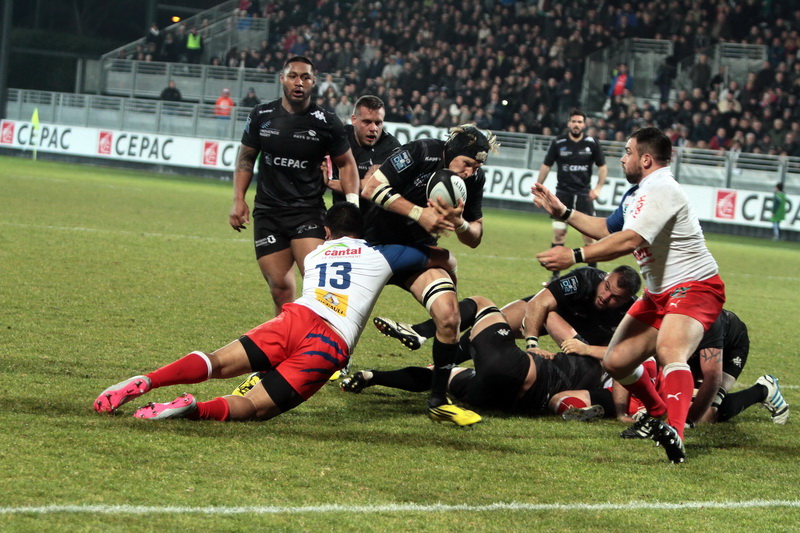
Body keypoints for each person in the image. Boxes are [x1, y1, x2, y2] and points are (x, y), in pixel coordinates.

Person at [93, 203, 460, 421]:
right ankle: (193, 410)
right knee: (256, 407)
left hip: (296, 317)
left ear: (328, 231)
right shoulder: (381, 253)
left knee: (217, 362)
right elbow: (443, 258)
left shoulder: (316, 254)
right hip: (330, 341)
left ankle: (150, 379)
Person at [532, 126, 726, 463]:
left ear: (646, 159)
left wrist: (575, 255)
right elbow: (607, 229)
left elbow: (629, 241)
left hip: (695, 285)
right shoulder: (639, 193)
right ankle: (657, 411)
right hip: (659, 293)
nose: (622, 158)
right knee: (616, 360)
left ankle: (675, 434)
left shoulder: (663, 189)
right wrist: (563, 212)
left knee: (670, 351)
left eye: (627, 152)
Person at [358, 124, 499, 426]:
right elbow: (369, 188)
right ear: (453, 153)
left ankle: (438, 400)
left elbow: (475, 236)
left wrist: (459, 224)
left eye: (477, 167)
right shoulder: (421, 152)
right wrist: (418, 213)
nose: (471, 173)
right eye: (468, 164)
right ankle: (328, 365)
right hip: (373, 246)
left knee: (449, 317)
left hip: (417, 253)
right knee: (344, 317)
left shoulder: (474, 179)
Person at [229, 56, 360, 316]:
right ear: (282, 79)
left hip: (308, 212)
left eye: (305, 77)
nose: (298, 82)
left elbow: (347, 164)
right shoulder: (261, 115)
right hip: (268, 212)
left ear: (314, 82)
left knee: (318, 286)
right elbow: (246, 158)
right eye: (293, 76)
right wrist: (238, 199)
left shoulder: (327, 122)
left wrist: (353, 206)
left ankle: (329, 347)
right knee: (280, 289)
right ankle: (285, 346)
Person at [341, 295, 609, 418]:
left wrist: (533, 344)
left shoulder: (592, 352)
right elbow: (563, 401)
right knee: (442, 373)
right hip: (504, 402)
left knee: (481, 303)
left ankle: (420, 332)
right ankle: (373, 377)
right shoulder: (601, 387)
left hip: (516, 369)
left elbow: (542, 310)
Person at [372, 265, 640, 362]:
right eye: (606, 287)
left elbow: (626, 353)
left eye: (615, 297)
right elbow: (538, 303)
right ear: (605, 278)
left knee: (582, 354)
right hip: (545, 314)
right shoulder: (585, 279)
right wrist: (532, 344)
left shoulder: (632, 313)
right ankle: (424, 337)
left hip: (579, 341)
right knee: (488, 326)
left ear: (627, 300)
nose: (606, 296)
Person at [536, 109, 608, 282]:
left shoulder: (592, 143)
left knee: (589, 237)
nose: (576, 125)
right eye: (573, 121)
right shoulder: (559, 142)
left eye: (579, 122)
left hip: (584, 195)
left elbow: (602, 167)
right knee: (559, 234)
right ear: (569, 123)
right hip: (563, 195)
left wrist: (598, 188)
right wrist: (539, 187)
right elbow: (546, 165)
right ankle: (555, 276)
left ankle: (594, 277)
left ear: (584, 124)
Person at [326, 95, 401, 213]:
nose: (373, 128)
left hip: (375, 220)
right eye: (367, 122)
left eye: (378, 123)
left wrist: (328, 182)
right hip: (341, 215)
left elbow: (369, 188)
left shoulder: (391, 147)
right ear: (354, 120)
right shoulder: (340, 136)